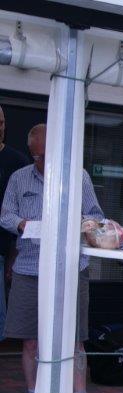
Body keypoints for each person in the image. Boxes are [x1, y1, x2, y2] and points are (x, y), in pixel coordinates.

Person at [0, 123, 104, 393]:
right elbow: (5, 214)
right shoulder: (19, 178)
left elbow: (96, 215)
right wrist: (23, 225)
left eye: (46, 156)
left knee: (75, 339)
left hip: (71, 266)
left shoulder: (79, 177)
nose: (41, 162)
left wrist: (80, 224)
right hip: (29, 267)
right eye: (36, 156)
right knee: (30, 340)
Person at [0, 106, 30, 340]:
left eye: (1, 123)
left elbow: (22, 214)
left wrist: (14, 255)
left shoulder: (17, 163)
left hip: (4, 248)